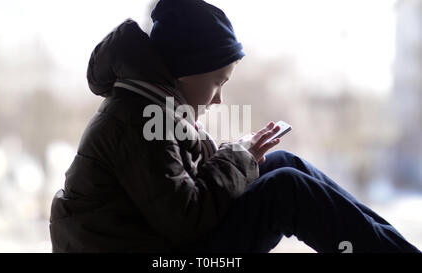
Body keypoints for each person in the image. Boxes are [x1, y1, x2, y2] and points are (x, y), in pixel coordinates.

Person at [49, 0, 420, 253]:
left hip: (154, 242)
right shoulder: (139, 117)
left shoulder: (149, 105)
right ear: (184, 72)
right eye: (218, 82)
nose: (218, 100)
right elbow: (185, 217)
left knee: (279, 164)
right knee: (285, 189)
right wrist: (236, 158)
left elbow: (176, 185)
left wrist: (239, 154)